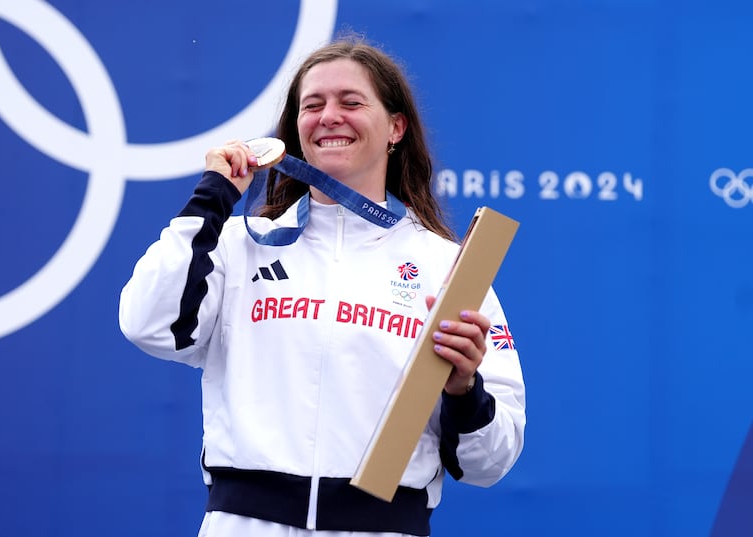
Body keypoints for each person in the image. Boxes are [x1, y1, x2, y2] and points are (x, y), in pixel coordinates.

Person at [119, 36, 525, 537]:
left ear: (396, 127)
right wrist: (213, 199)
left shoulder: (449, 268)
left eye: (351, 102)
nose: (329, 116)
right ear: (295, 131)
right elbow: (148, 325)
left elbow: (492, 461)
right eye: (312, 105)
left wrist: (465, 390)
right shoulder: (240, 244)